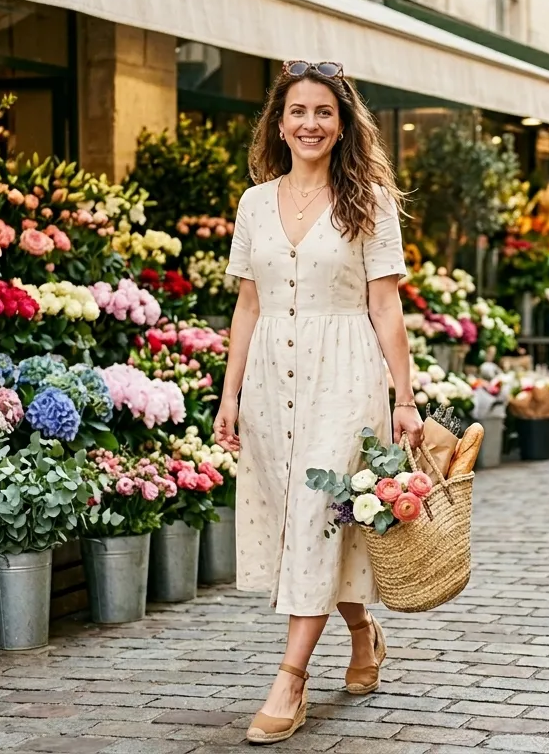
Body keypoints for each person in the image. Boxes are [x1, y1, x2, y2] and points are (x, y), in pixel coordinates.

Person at [214, 59, 423, 746]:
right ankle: (363, 633)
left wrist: (406, 399)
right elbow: (247, 303)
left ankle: (290, 680)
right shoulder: (254, 203)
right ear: (280, 122)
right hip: (273, 378)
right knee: (311, 527)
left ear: (342, 125)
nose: (310, 123)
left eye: (323, 113)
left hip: (345, 372)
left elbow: (385, 305)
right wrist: (230, 392)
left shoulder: (369, 200)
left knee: (315, 514)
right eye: (298, 112)